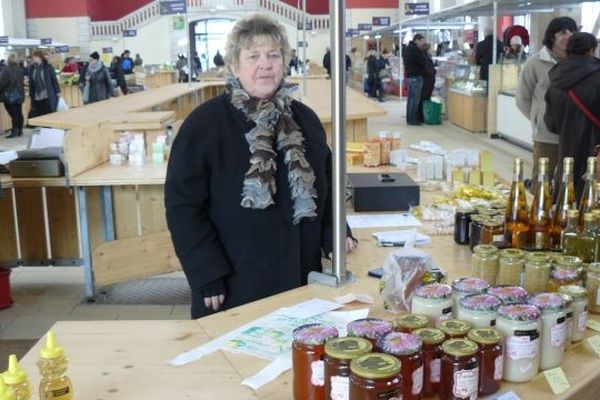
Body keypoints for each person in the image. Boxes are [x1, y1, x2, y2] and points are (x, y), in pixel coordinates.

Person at [165, 14, 357, 319]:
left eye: (273, 55)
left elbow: (329, 183)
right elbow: (183, 207)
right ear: (234, 65)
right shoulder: (203, 125)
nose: (265, 64)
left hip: (301, 278)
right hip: (234, 285)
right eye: (253, 56)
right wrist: (206, 273)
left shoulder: (305, 120)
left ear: (284, 62)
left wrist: (334, 233)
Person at [516, 16, 577, 191]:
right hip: (545, 135)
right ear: (552, 36)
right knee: (542, 179)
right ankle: (538, 215)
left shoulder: (577, 62)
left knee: (567, 181)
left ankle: (561, 216)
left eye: (572, 31)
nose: (568, 35)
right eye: (563, 32)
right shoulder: (535, 62)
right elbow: (522, 98)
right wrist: (539, 119)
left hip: (573, 134)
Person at [545, 32, 600, 202]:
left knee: (566, 195)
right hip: (595, 149)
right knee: (591, 197)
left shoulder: (555, 78)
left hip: (566, 149)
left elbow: (552, 124)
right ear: (591, 50)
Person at [403, 33, 427, 125]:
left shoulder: (407, 49)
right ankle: (413, 120)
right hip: (415, 77)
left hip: (409, 77)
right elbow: (422, 61)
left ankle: (409, 119)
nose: (422, 43)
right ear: (417, 40)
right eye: (422, 41)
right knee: (414, 100)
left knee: (410, 99)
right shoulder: (415, 50)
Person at [28, 50, 61, 117]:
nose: (34, 59)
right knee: (40, 113)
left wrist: (58, 91)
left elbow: (54, 80)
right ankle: (43, 126)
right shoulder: (32, 68)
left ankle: (49, 126)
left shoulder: (48, 67)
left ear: (41, 58)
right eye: (33, 57)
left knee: (49, 112)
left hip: (47, 94)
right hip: (37, 95)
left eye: (36, 57)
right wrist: (31, 94)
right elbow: (31, 82)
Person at [0, 55, 25, 138]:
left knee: (14, 114)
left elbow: (2, 84)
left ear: (8, 61)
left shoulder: (6, 70)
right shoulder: (20, 69)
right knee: (19, 112)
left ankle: (15, 131)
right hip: (19, 95)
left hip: (10, 96)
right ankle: (20, 130)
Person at [417, 43, 436, 124]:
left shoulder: (423, 56)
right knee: (425, 97)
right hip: (427, 79)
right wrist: (433, 71)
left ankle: (421, 116)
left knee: (423, 97)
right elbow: (427, 69)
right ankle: (421, 116)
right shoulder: (426, 57)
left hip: (426, 79)